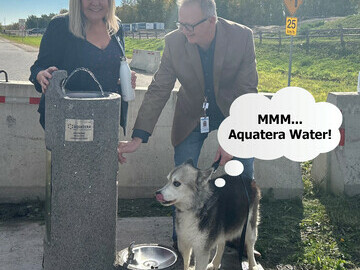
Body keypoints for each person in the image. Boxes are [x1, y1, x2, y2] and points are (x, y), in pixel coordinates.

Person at [118, 0, 258, 247]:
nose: (184, 30)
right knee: (181, 179)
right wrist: (139, 135)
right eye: (181, 24)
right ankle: (183, 240)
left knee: (243, 175)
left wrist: (234, 137)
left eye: (190, 26)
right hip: (192, 115)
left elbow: (247, 91)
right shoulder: (174, 41)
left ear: (211, 20)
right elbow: (160, 87)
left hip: (233, 114)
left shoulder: (242, 37)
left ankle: (240, 239)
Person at [29, 0, 136, 131]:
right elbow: (38, 68)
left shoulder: (116, 27)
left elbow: (112, 66)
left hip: (106, 118)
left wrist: (123, 78)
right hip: (68, 120)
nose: (95, 2)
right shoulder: (60, 25)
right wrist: (40, 75)